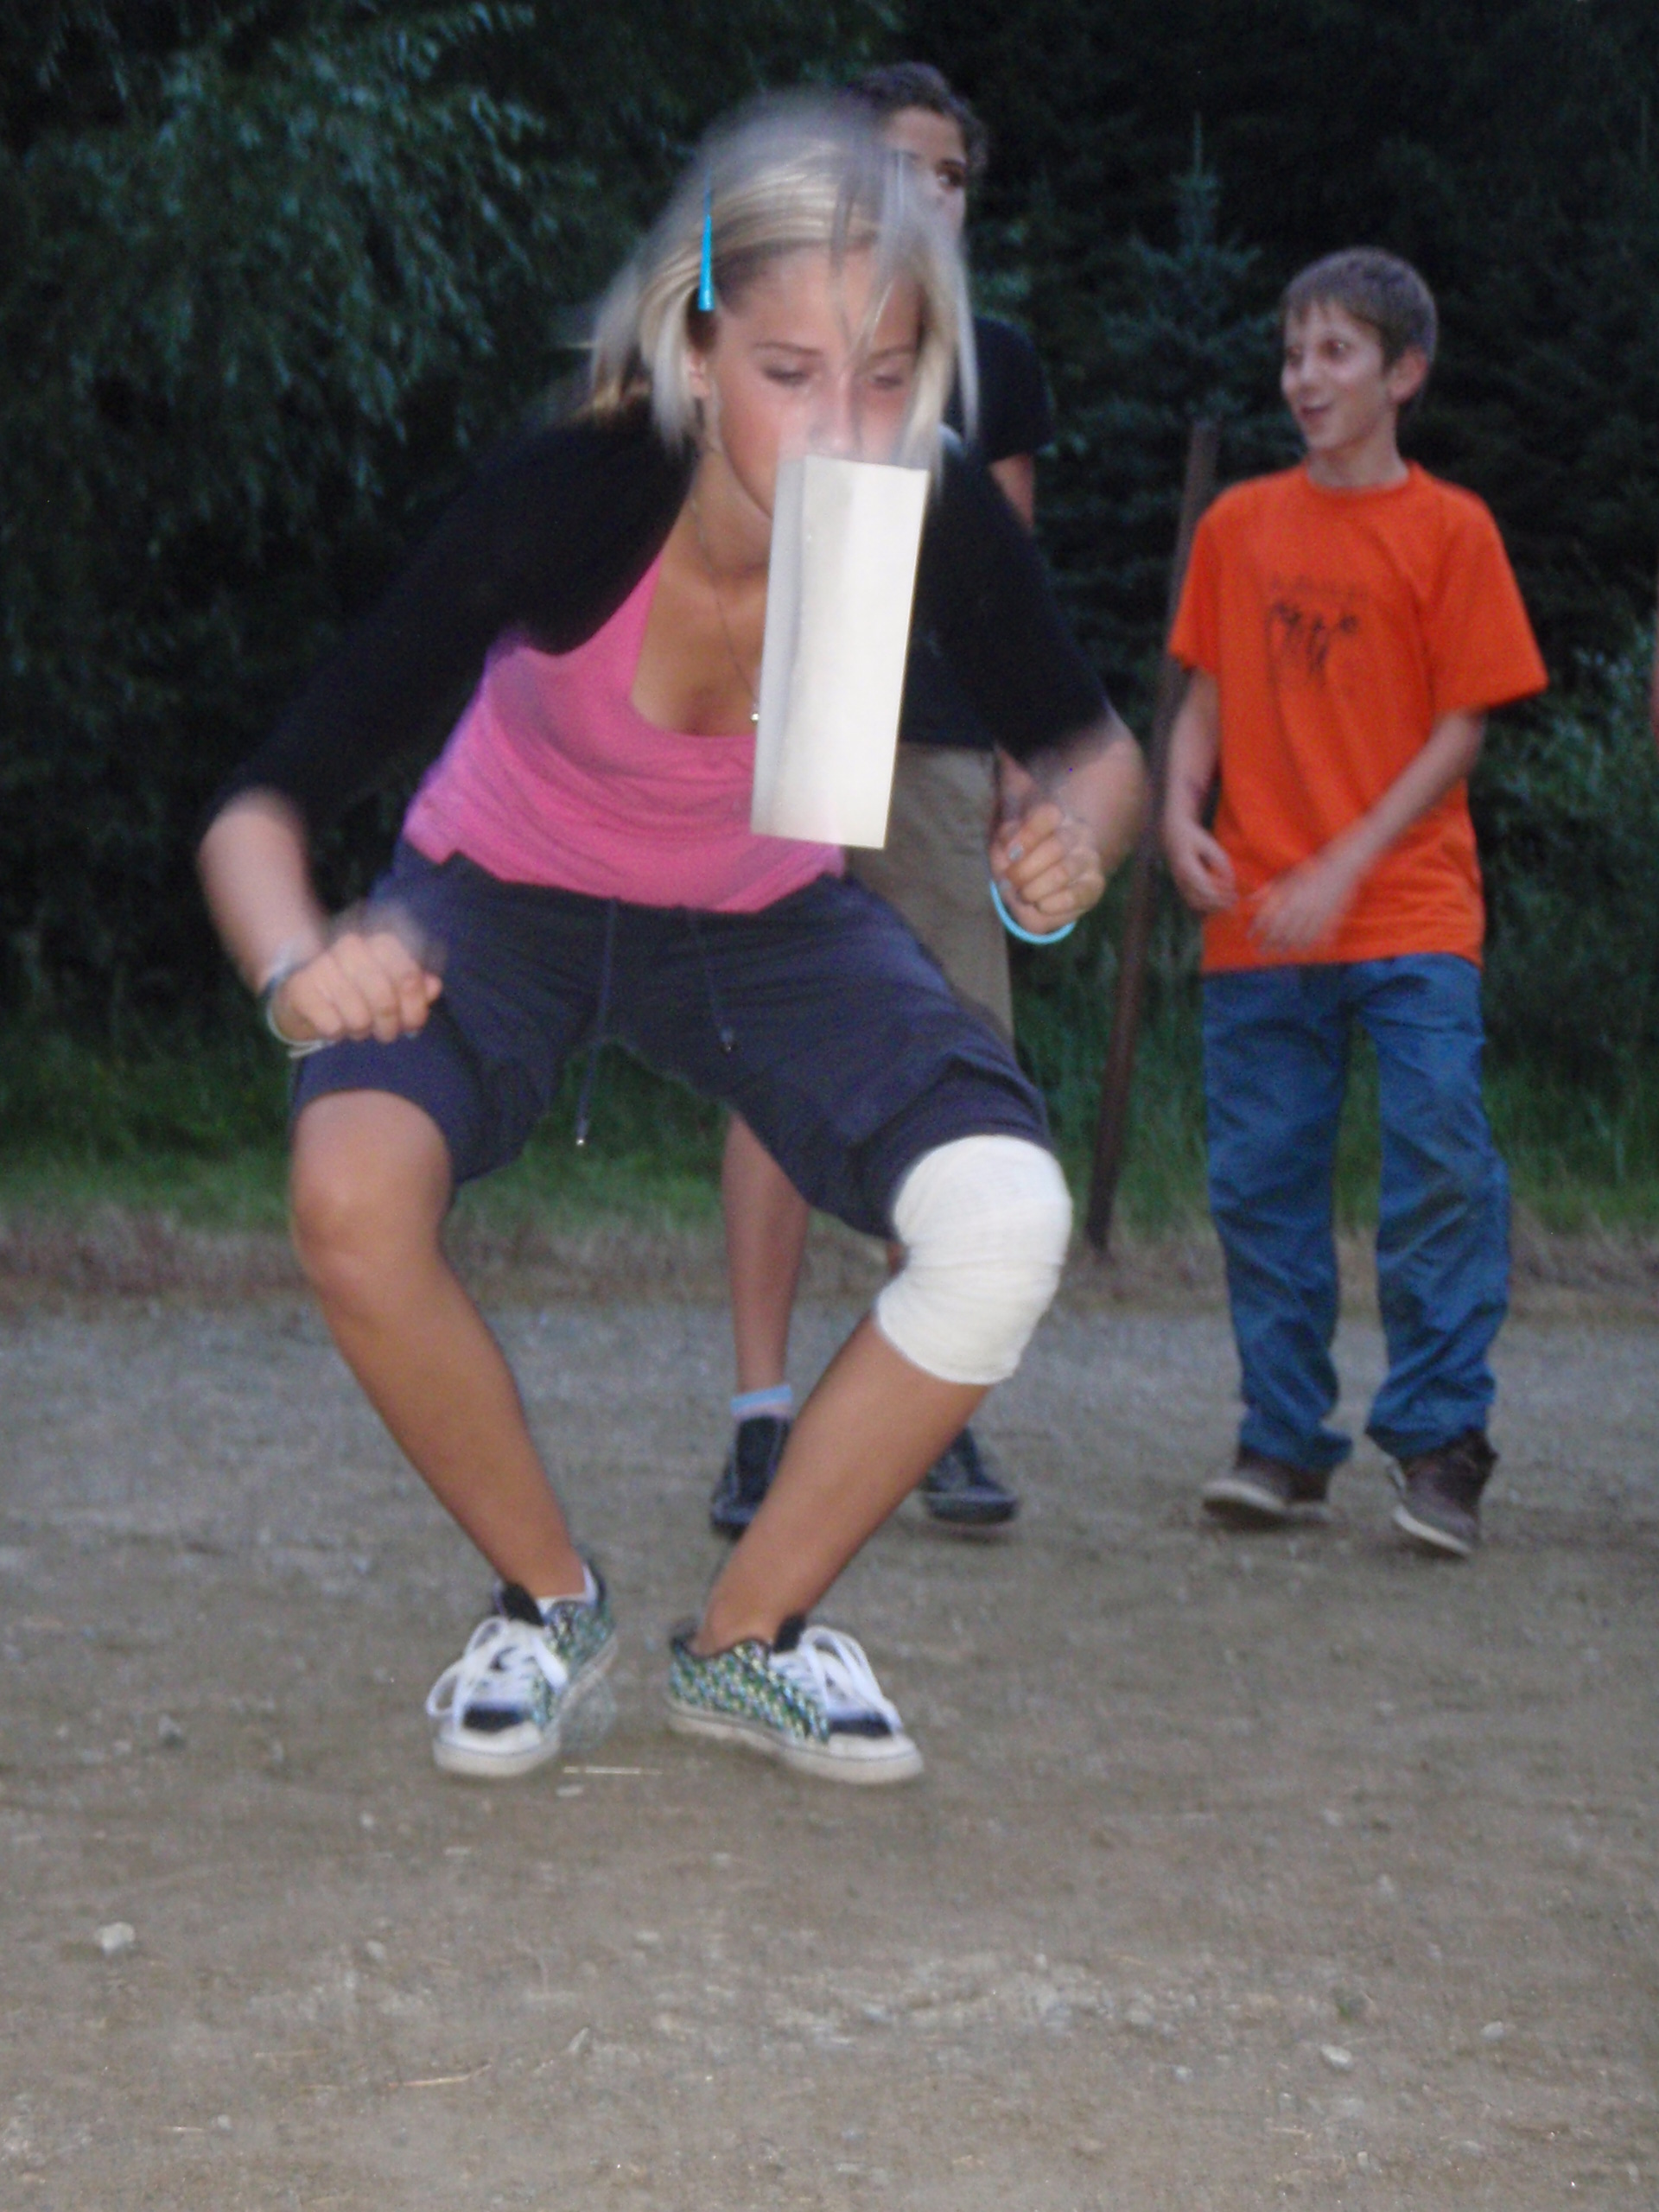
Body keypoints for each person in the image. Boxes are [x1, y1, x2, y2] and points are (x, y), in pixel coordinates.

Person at [198, 98, 1144, 1788]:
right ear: (697, 351)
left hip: (764, 920)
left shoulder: (917, 502)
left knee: (1006, 1217)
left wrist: (1077, 836)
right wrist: (296, 966)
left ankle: (749, 1642)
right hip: (501, 893)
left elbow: (1097, 750)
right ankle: (547, 1605)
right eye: (791, 372)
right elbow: (259, 808)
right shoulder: (575, 494)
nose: (843, 427)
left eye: (887, 377)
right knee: (348, 1193)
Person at [710, 62, 1060, 1540]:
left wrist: (1028, 752)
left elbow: (1010, 580)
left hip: (944, 742)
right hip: (801, 719)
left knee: (955, 1068)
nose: (926, 195)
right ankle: (761, 1418)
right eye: (897, 168)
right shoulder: (772, 340)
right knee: (776, 1062)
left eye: (949, 176)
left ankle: (934, 1412)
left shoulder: (996, 363)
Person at [1161, 247, 1547, 1559]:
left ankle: (1441, 1445)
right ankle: (1282, 1441)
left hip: (1411, 910)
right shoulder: (1238, 527)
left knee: (1440, 1156)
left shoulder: (1453, 530)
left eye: (1335, 352)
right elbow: (1205, 697)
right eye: (1292, 353)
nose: (1304, 377)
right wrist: (1179, 814)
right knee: (1263, 1183)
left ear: (1404, 372)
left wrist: (1345, 864)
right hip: (1258, 916)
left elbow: (1461, 730)